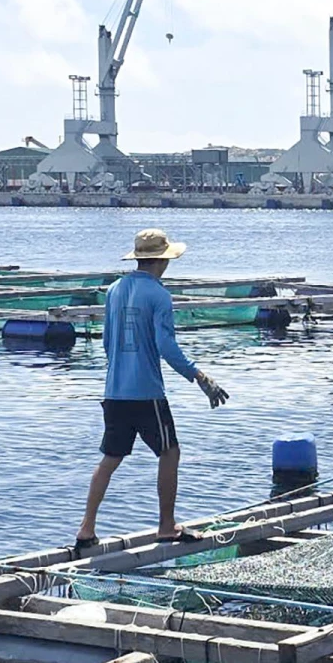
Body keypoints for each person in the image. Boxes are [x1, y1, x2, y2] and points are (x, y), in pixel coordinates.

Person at [75, 228, 228, 551]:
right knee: (170, 452)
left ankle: (86, 530)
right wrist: (200, 377)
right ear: (163, 260)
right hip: (146, 393)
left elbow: (106, 341)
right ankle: (166, 525)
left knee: (110, 458)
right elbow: (166, 346)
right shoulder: (160, 295)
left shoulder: (115, 289)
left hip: (114, 391)